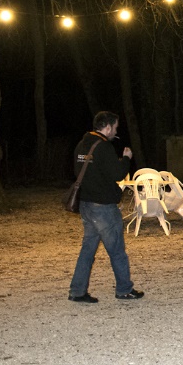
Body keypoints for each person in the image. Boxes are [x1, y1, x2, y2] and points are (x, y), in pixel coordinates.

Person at [67, 111, 144, 303]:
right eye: (116, 127)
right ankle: (124, 289)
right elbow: (118, 173)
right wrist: (126, 158)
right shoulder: (104, 147)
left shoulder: (81, 145)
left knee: (87, 251)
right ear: (107, 127)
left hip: (86, 204)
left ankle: (77, 291)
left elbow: (79, 170)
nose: (116, 131)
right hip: (103, 207)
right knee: (117, 251)